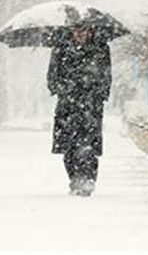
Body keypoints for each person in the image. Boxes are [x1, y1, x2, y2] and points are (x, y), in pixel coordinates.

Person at [47, 23, 112, 196]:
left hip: (91, 105)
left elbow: (106, 76)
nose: (80, 34)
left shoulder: (100, 48)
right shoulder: (60, 49)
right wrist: (65, 88)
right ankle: (75, 179)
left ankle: (88, 178)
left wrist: (97, 93)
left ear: (90, 30)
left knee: (88, 145)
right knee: (69, 147)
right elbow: (52, 79)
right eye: (76, 30)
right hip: (67, 106)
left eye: (83, 29)